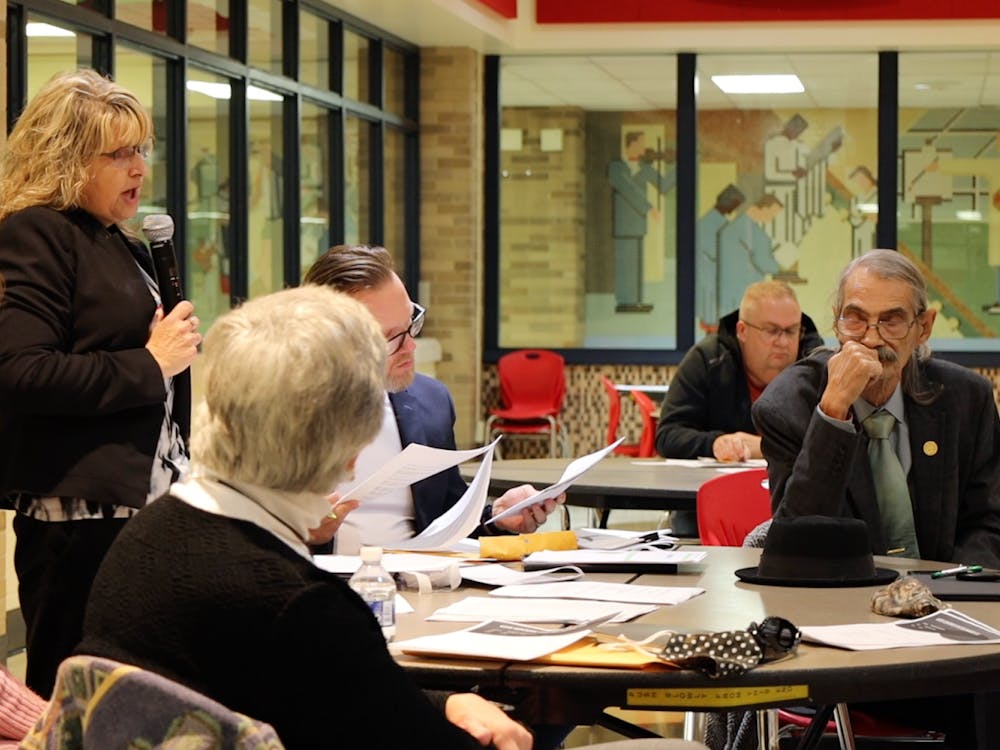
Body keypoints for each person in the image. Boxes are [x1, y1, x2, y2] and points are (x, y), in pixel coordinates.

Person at [75, 286, 531, 749]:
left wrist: (443, 702)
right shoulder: (297, 605)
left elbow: (347, 695)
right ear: (351, 449)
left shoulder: (144, 539)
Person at [0, 69, 200, 696]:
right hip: (78, 527)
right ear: (65, 157)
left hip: (140, 513)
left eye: (142, 149)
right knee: (81, 704)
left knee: (144, 699)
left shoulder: (116, 240)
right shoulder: (36, 234)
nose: (139, 167)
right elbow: (20, 372)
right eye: (119, 153)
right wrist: (151, 363)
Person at [752, 247, 1000, 748]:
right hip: (839, 634)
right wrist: (834, 410)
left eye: (891, 322)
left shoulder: (966, 399)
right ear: (836, 322)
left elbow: (990, 520)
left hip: (946, 622)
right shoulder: (790, 403)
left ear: (923, 328)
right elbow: (798, 539)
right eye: (855, 319)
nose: (870, 339)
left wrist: (953, 597)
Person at [302, 244, 563, 555]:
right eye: (391, 338)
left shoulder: (431, 402)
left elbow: (447, 517)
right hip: (326, 589)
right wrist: (302, 532)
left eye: (412, 323)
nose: (411, 347)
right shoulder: (273, 416)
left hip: (426, 586)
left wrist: (497, 517)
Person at [656, 280, 822, 464]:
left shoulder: (815, 366)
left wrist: (763, 447)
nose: (783, 342)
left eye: (791, 331)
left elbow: (836, 441)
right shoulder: (709, 360)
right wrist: (715, 443)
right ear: (742, 331)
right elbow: (667, 435)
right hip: (722, 487)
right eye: (771, 331)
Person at [608, 131, 676, 312]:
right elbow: (627, 188)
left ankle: (635, 301)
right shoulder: (616, 166)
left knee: (636, 264)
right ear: (631, 144)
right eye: (641, 144)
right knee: (624, 263)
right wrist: (649, 208)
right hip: (623, 224)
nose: (644, 148)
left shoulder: (645, 168)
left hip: (638, 224)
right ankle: (624, 301)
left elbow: (664, 185)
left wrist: (678, 164)